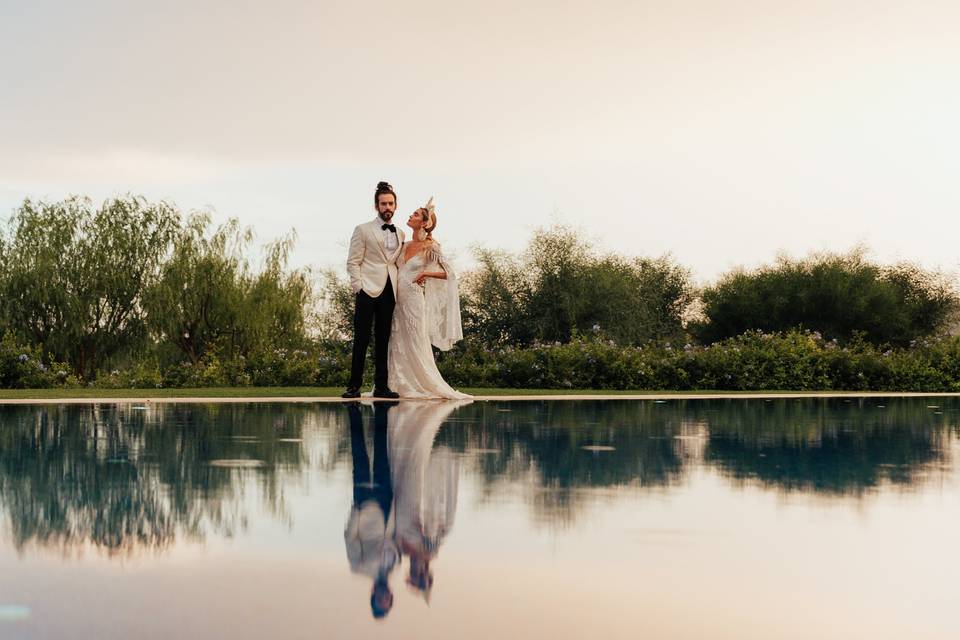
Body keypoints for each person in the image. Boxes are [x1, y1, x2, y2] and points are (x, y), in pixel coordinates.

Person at [387, 198, 470, 399]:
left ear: (424, 223)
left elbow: (449, 274)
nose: (410, 215)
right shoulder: (404, 244)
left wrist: (426, 274)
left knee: (415, 341)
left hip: (414, 300)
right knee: (397, 341)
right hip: (397, 301)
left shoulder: (430, 246)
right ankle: (396, 384)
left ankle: (422, 383)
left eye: (415, 214)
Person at [343, 181, 405, 399]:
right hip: (367, 290)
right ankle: (353, 386)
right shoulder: (363, 230)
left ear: (395, 206)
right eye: (383, 203)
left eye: (390, 203)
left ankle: (381, 386)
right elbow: (353, 261)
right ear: (376, 206)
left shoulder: (401, 233)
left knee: (383, 339)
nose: (387, 207)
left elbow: (397, 263)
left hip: (390, 290)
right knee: (361, 339)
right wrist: (358, 287)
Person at [343, 401, 399, 619]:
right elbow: (393, 536)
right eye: (388, 600)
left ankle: (354, 413)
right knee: (382, 449)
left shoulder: (359, 567)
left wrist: (357, 510)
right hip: (386, 500)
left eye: (381, 600)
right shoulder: (394, 565)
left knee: (359, 451)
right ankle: (381, 414)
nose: (385, 596)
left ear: (373, 595)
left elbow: (350, 538)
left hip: (364, 502)